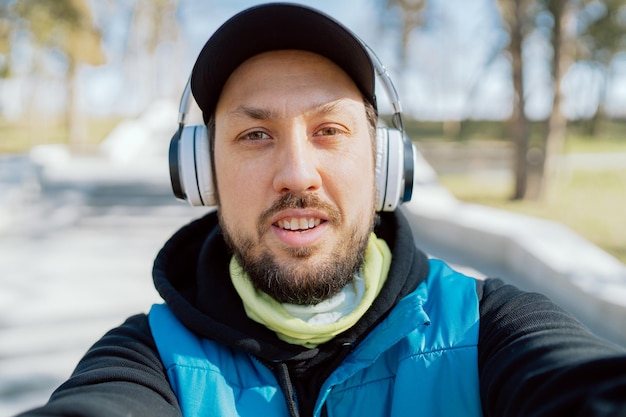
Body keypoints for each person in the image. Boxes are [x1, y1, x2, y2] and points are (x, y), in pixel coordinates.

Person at [17, 3, 626, 417]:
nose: (296, 174)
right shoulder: (147, 359)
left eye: (329, 130)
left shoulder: (487, 328)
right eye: (255, 136)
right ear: (203, 176)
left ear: (383, 165)